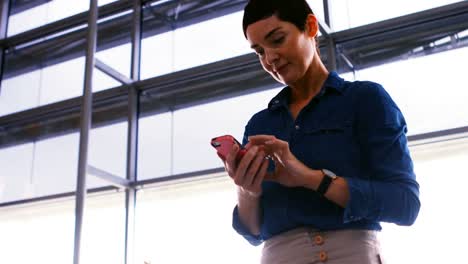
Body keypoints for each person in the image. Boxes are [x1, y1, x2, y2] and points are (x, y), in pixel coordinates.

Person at [221, 0, 421, 263]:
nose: (270, 59)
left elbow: (405, 205)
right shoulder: (260, 125)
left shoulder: (365, 100)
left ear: (311, 26)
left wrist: (310, 178)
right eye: (259, 52)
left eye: (277, 39)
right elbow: (253, 232)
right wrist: (247, 190)